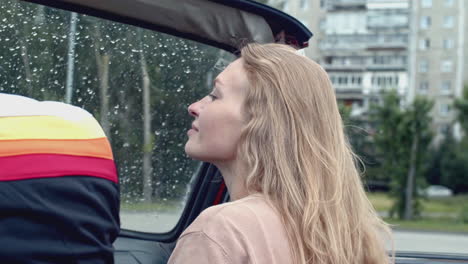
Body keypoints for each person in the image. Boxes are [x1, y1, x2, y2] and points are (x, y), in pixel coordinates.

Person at [168, 43, 392, 264]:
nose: (194, 106)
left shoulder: (220, 231)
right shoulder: (344, 234)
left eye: (215, 95)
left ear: (260, 122)